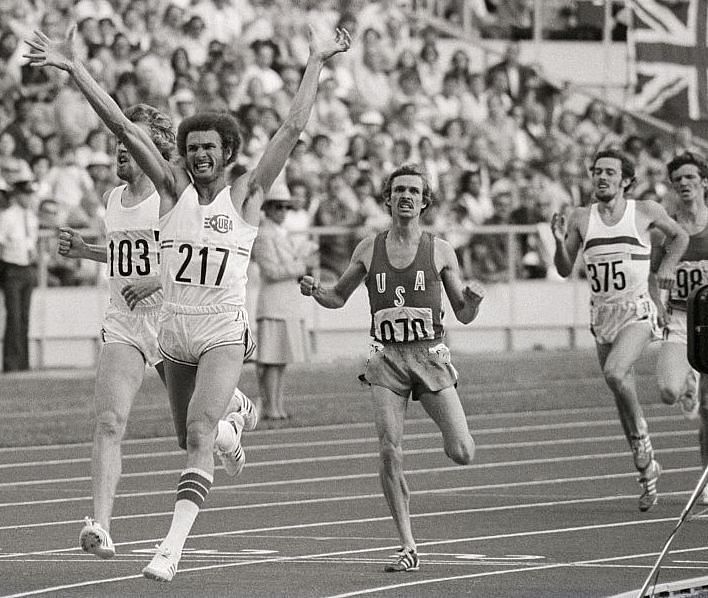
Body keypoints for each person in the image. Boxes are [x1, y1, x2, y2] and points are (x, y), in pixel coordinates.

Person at [24, 23, 351, 582]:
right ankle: (238, 416)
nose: (200, 154)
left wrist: (316, 62)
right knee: (189, 433)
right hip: (174, 331)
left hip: (223, 328)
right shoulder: (171, 191)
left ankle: (169, 549)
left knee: (196, 436)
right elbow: (123, 126)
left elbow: (294, 127)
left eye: (210, 148)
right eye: (192, 146)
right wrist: (75, 68)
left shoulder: (247, 193)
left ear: (228, 153)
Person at [25, 35, 258, 564]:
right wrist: (90, 250)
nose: (122, 153)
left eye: (132, 146)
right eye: (118, 148)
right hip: (126, 324)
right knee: (109, 420)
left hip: (176, 320)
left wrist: (159, 280)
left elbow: (188, 254)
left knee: (190, 436)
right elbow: (128, 257)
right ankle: (100, 525)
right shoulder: (112, 199)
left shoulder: (170, 192)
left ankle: (231, 416)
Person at [300, 164, 484, 573]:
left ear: (424, 201)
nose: (405, 197)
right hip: (386, 358)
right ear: (387, 199)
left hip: (429, 355)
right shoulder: (368, 248)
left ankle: (441, 452)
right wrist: (317, 292)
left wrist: (474, 299)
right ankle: (407, 543)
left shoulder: (439, 249)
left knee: (462, 452)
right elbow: (337, 298)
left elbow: (464, 313)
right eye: (398, 190)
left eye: (413, 191)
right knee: (388, 449)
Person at [551, 149, 689, 512]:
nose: (602, 177)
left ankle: (643, 440)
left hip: (638, 311)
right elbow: (565, 269)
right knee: (620, 389)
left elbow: (680, 238)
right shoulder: (581, 217)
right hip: (602, 317)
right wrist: (556, 241)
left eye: (610, 172)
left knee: (615, 372)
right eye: (597, 171)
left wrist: (669, 267)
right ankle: (647, 471)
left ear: (626, 180)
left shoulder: (644, 211)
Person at [649, 152, 708, 503]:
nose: (683, 184)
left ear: (704, 182)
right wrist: (657, 301)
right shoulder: (666, 229)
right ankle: (687, 380)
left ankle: (705, 478)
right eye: (677, 180)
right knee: (668, 391)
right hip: (681, 319)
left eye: (689, 177)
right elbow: (654, 275)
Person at [252, 177, 318, 420]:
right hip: (273, 304)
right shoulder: (264, 234)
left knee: (280, 361)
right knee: (270, 360)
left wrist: (301, 259)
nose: (282, 211)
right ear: (267, 209)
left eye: (285, 207)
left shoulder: (281, 233)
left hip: (285, 304)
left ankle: (276, 405)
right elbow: (270, 271)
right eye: (277, 206)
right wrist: (302, 264)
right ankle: (271, 407)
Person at [0, 164, 38, 372]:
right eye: (27, 195)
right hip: (12, 268)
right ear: (18, 195)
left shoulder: (30, 217)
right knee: (14, 317)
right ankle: (11, 363)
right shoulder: (7, 217)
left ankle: (23, 362)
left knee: (24, 317)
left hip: (26, 268)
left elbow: (30, 243)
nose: (29, 199)